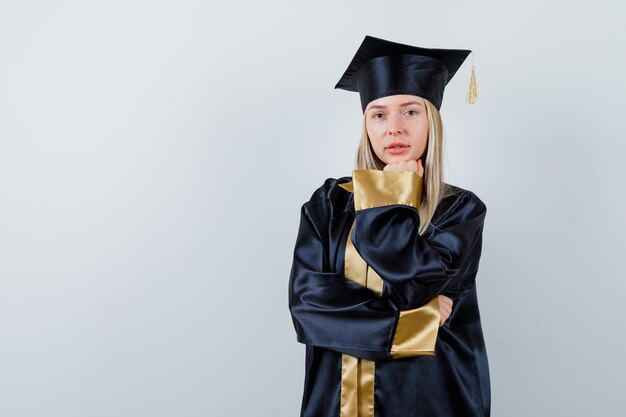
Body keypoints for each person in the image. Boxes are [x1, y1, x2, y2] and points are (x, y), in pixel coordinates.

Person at [288, 35, 490, 417]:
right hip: (338, 399)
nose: (393, 128)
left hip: (429, 396)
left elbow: (412, 284)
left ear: (432, 121)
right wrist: (421, 325)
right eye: (379, 114)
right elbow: (308, 308)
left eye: (410, 112)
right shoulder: (328, 204)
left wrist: (392, 196)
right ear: (366, 124)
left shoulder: (460, 210)